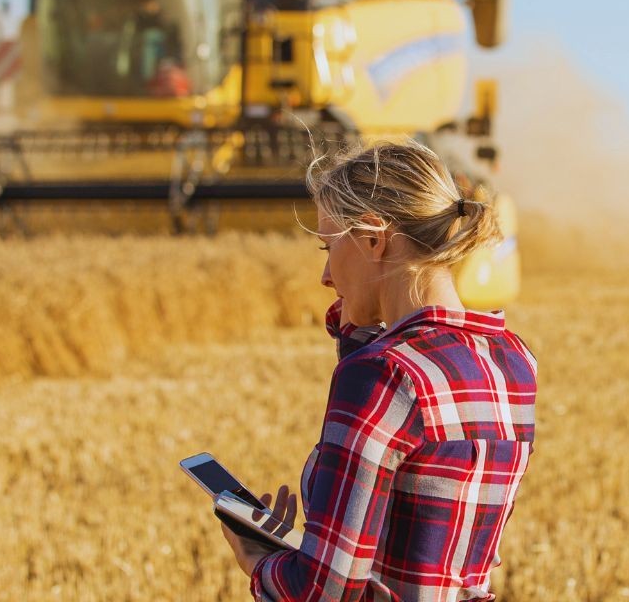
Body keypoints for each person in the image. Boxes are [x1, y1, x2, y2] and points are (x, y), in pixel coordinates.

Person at [220, 139, 538, 601]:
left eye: (328, 248)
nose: (325, 276)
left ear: (373, 238)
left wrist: (259, 560)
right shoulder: (513, 361)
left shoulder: (382, 377)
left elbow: (324, 593)